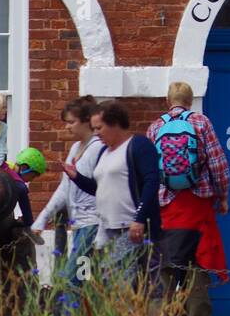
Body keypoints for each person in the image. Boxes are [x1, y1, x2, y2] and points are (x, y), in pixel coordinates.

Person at [146, 82, 230, 316]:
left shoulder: (155, 127)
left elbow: (150, 170)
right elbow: (217, 163)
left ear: (167, 100)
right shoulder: (201, 123)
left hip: (166, 207)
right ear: (191, 101)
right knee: (198, 264)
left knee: (167, 267)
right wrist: (223, 195)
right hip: (197, 204)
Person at [62, 100, 162, 286]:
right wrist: (77, 177)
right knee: (111, 281)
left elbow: (151, 181)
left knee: (123, 283)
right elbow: (98, 188)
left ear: (115, 123)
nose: (96, 133)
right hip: (107, 228)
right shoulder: (104, 152)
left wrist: (139, 218)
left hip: (131, 228)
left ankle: (138, 315)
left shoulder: (138, 145)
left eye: (99, 127)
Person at [34, 96, 101, 303]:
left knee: (74, 279)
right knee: (86, 277)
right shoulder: (75, 149)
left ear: (86, 120)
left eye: (71, 122)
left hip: (93, 225)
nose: (67, 127)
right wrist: (43, 217)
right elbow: (65, 188)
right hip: (79, 225)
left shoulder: (97, 148)